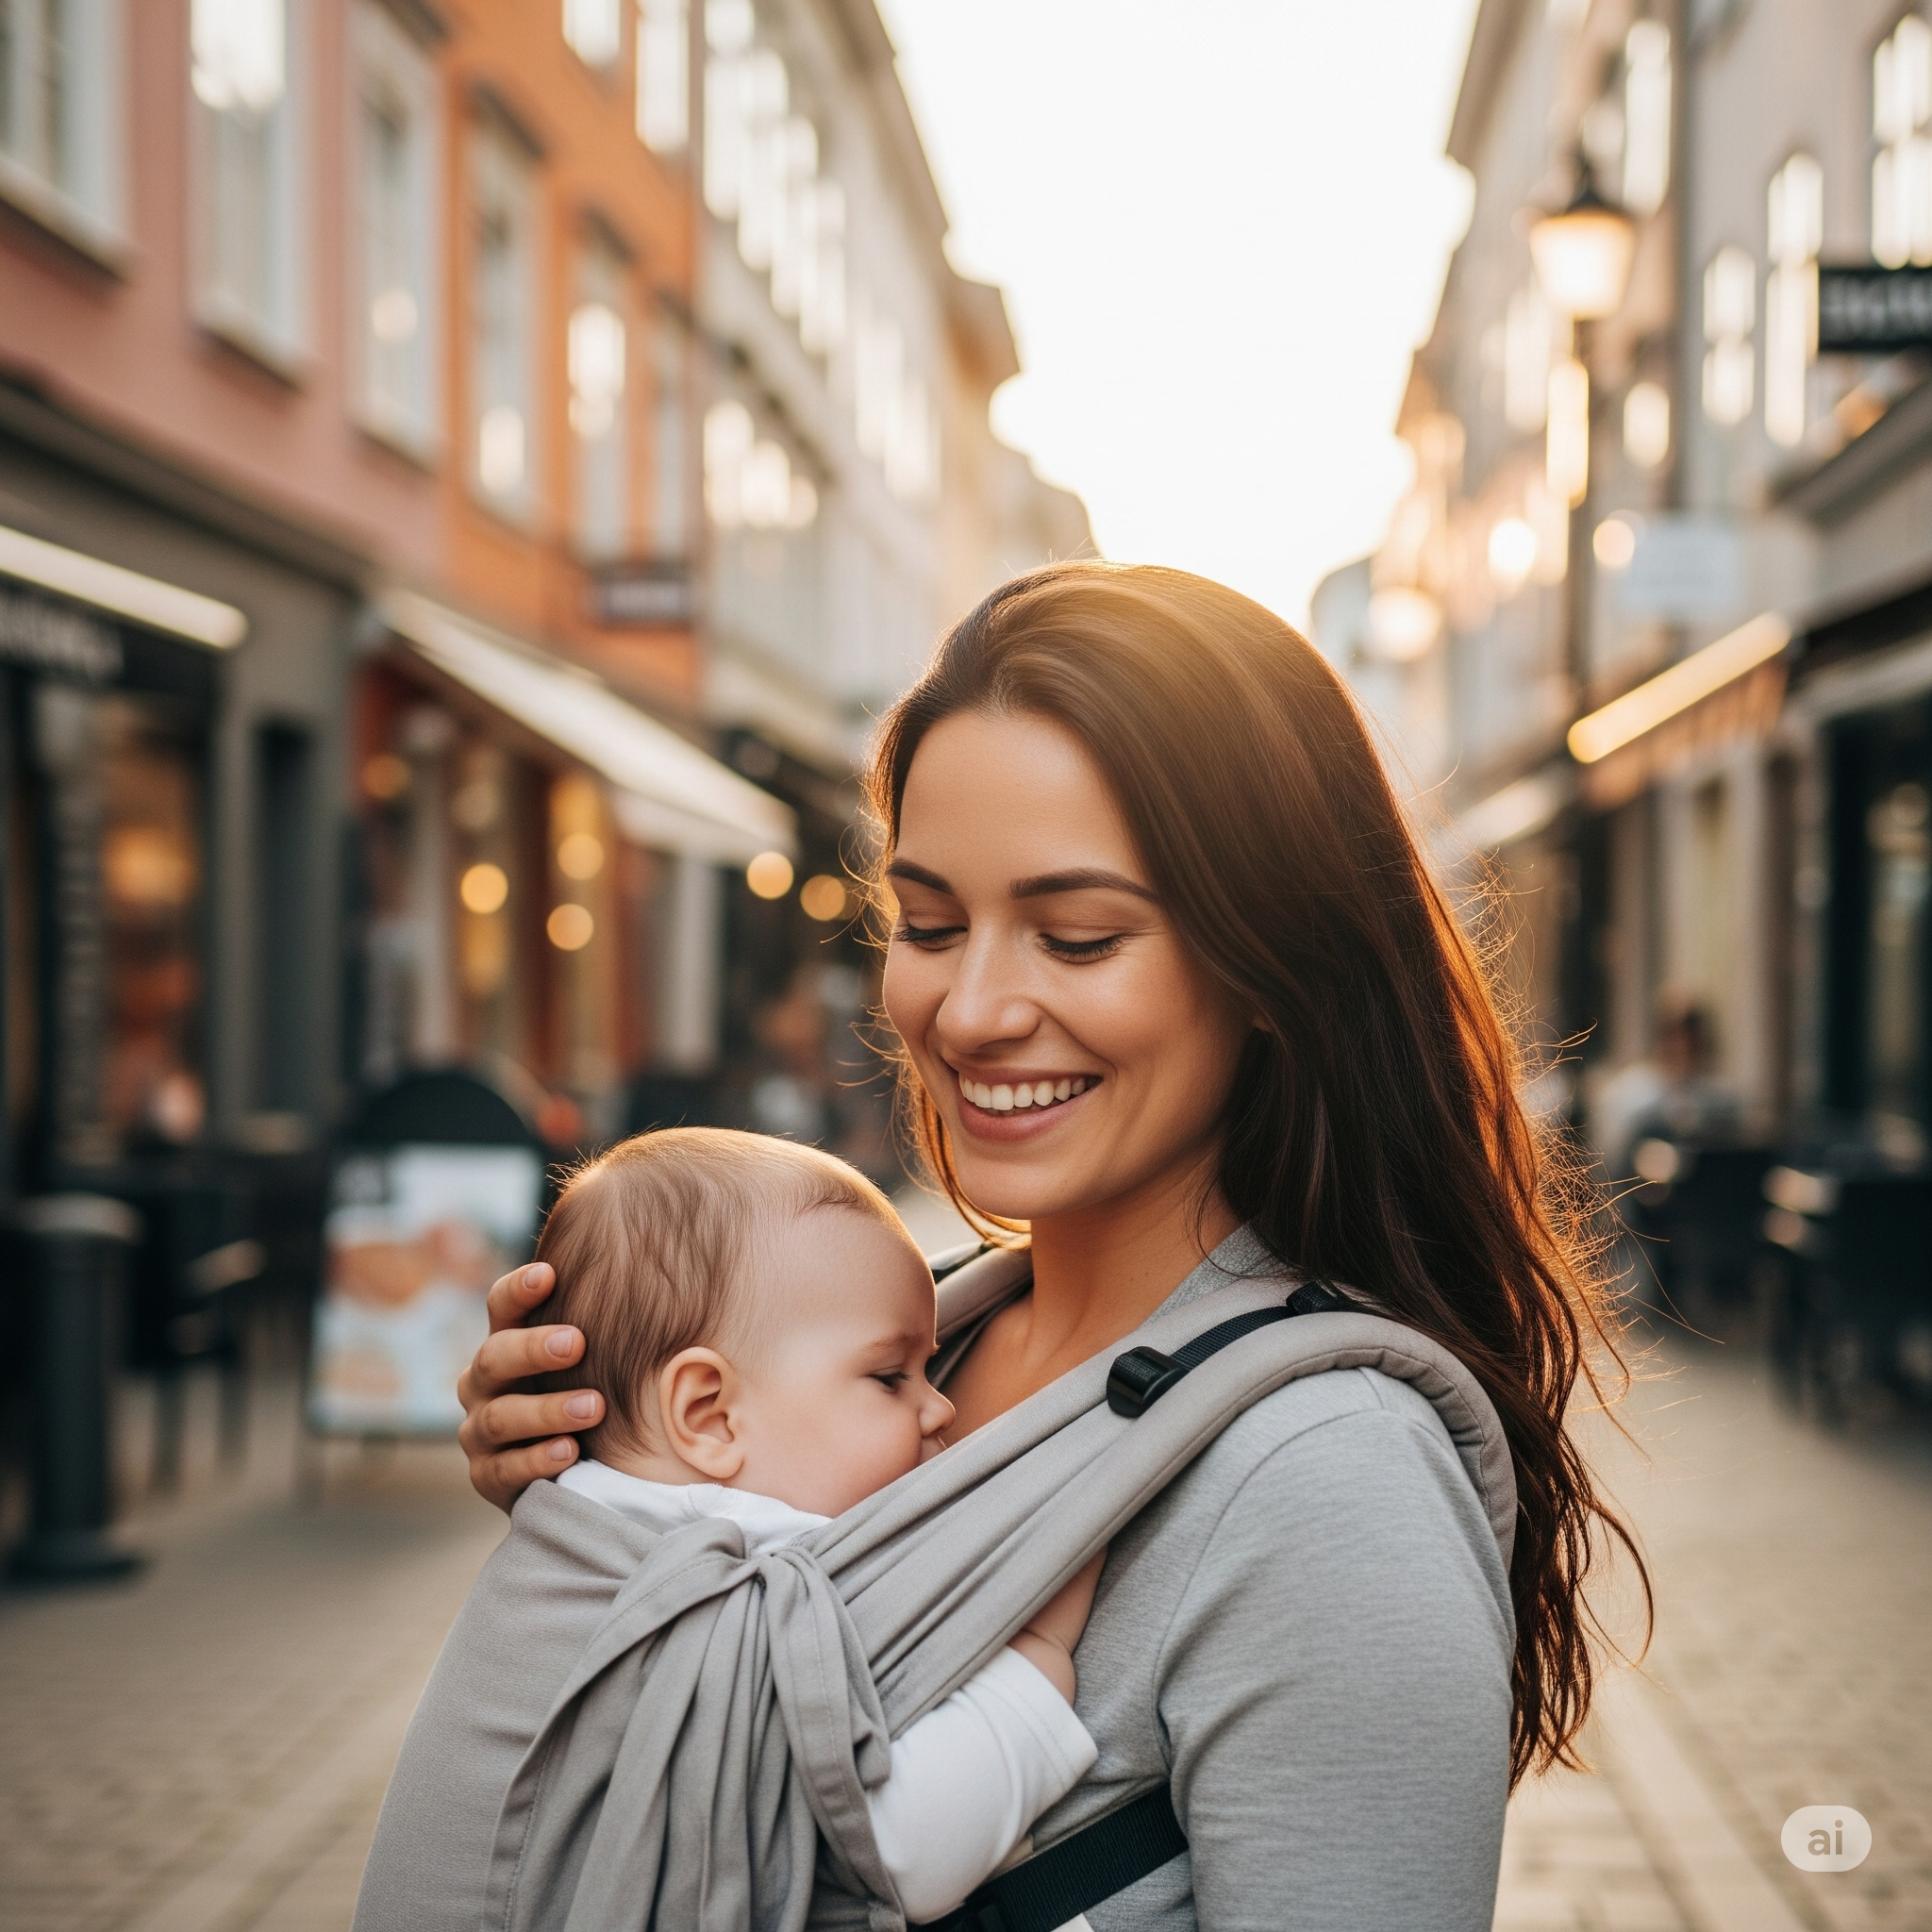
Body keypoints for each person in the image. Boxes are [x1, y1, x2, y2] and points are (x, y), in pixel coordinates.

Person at [457, 562, 1647, 1929]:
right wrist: (618, 1507)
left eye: (1077, 938)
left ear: (1268, 965)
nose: (969, 1011)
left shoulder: (1327, 1486)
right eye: (932, 925)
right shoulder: (910, 1356)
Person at [356, 1127, 1103, 1931]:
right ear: (707, 1414)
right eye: (889, 1377)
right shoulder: (723, 1580)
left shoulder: (602, 1516)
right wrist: (1035, 1655)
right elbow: (891, 1854)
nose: (941, 1408)